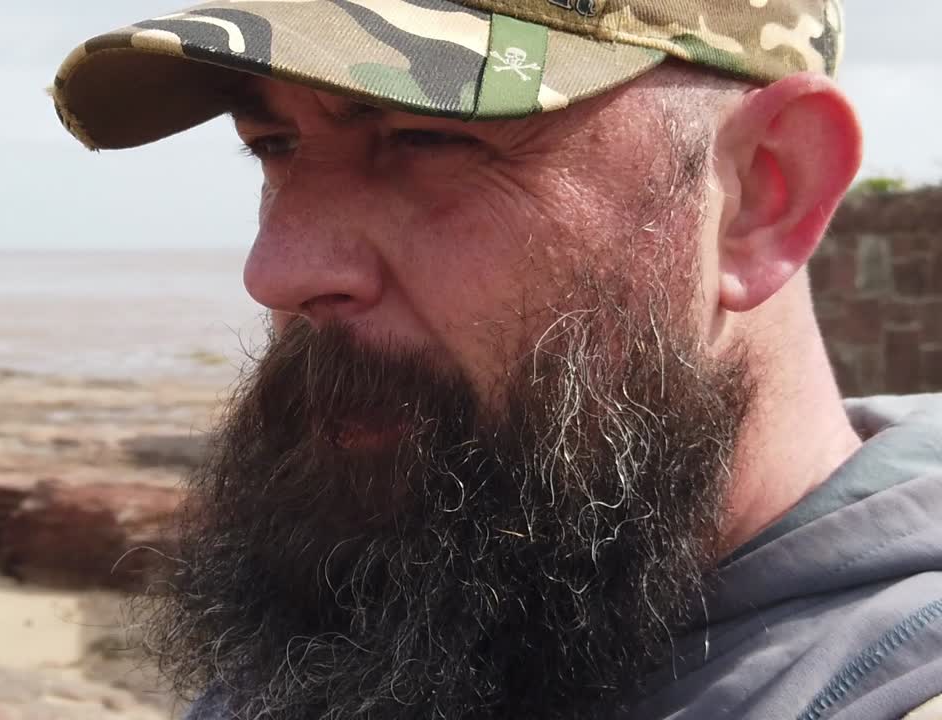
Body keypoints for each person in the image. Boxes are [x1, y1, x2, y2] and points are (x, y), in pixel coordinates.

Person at [51, 1, 942, 718]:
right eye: (273, 146)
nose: (277, 272)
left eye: (425, 137)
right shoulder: (390, 612)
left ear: (763, 195)